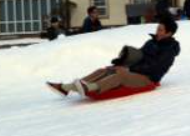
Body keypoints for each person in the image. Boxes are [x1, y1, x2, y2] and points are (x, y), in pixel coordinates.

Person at [46, 17, 181, 97]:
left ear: (169, 33)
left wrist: (129, 70)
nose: (157, 31)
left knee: (120, 75)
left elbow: (154, 68)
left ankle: (90, 87)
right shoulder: (151, 42)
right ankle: (66, 87)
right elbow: (139, 55)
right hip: (136, 71)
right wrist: (122, 62)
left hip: (148, 79)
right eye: (158, 28)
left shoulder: (169, 50)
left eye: (161, 30)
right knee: (105, 70)